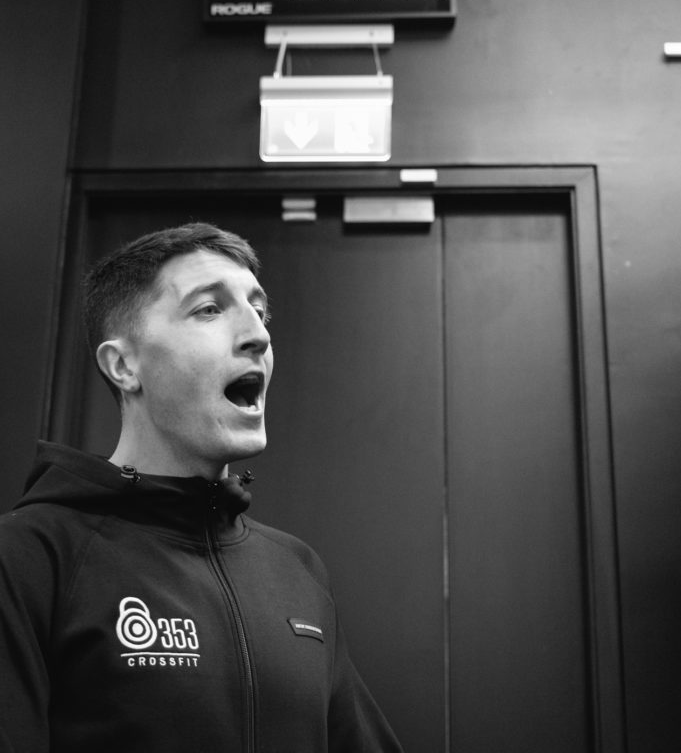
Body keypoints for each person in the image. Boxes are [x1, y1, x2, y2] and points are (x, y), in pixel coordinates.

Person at [0, 222, 404, 753]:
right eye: (208, 309)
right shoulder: (29, 556)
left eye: (259, 311)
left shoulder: (298, 571)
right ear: (123, 365)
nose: (258, 334)